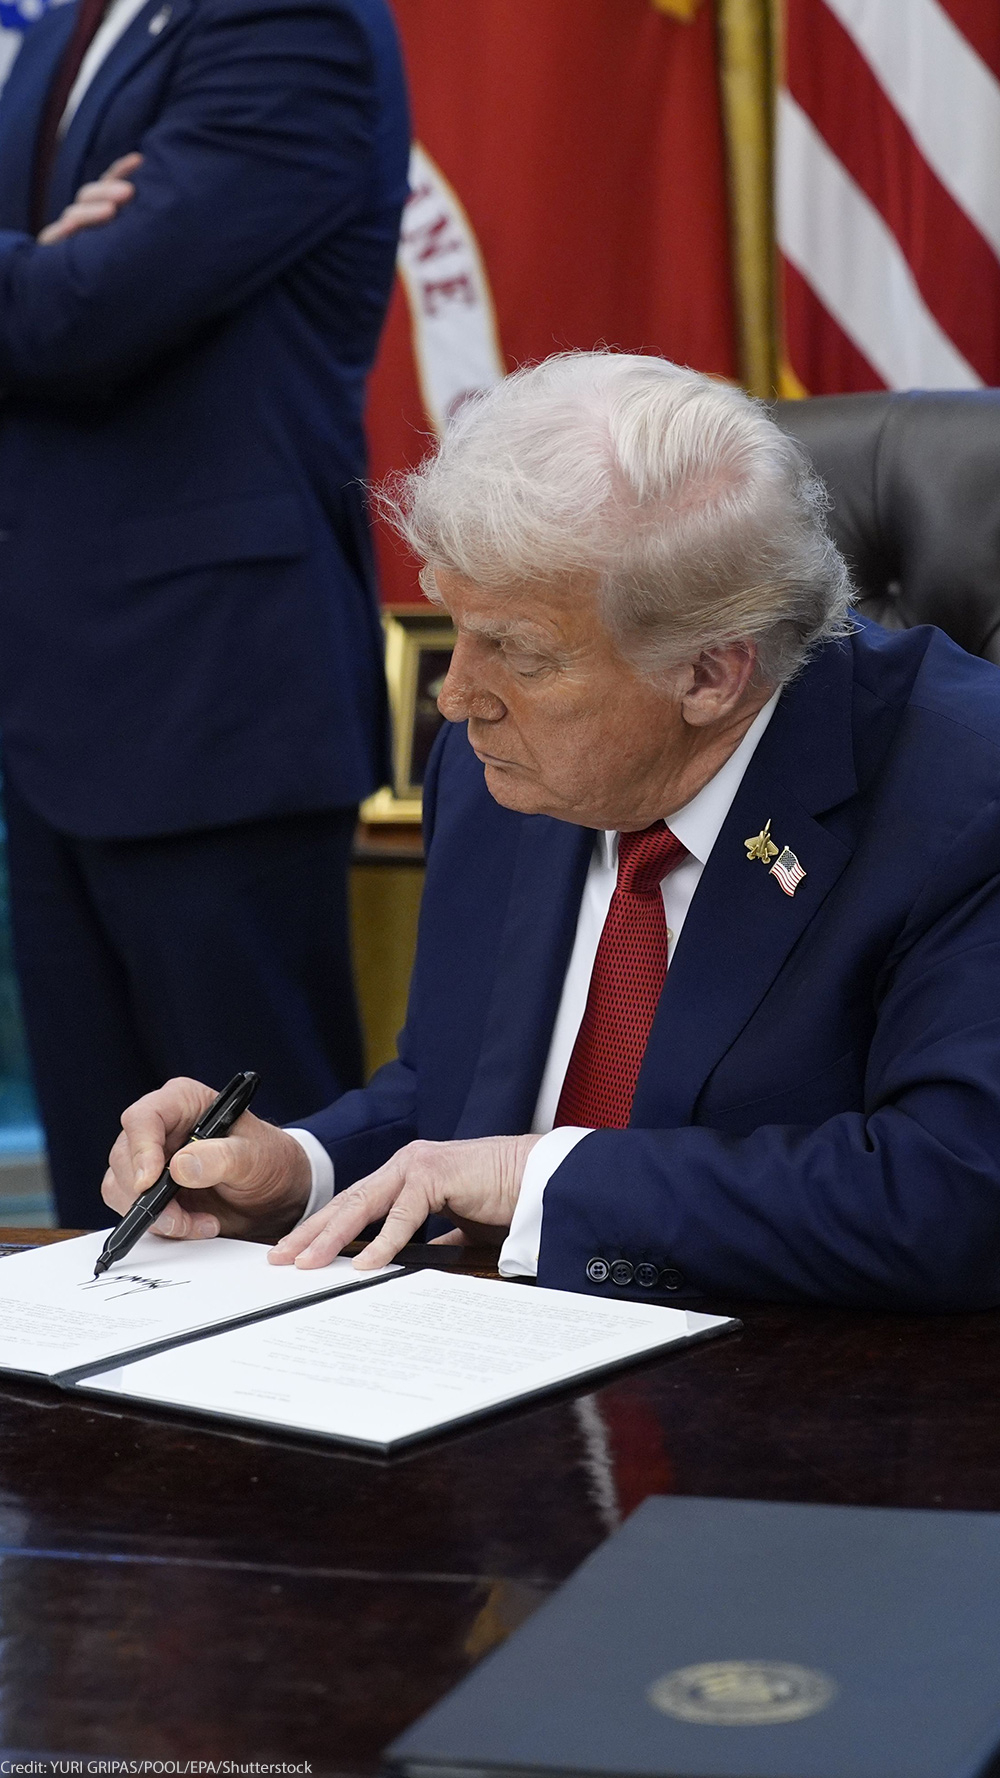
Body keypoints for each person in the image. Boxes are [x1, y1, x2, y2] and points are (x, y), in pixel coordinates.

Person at [103, 352, 1000, 1310]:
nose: (456, 698)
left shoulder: (965, 793)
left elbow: (951, 1194)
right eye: (458, 627)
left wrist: (539, 1180)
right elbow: (461, 1093)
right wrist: (300, 1170)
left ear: (710, 675)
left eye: (518, 653)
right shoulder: (501, 770)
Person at [0, 0, 410, 1225]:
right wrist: (34, 264)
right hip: (56, 696)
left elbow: (77, 314)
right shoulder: (68, 28)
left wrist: (46, 273)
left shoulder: (293, 18)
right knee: (108, 1216)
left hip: (211, 696)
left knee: (262, 1201)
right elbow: (39, 290)